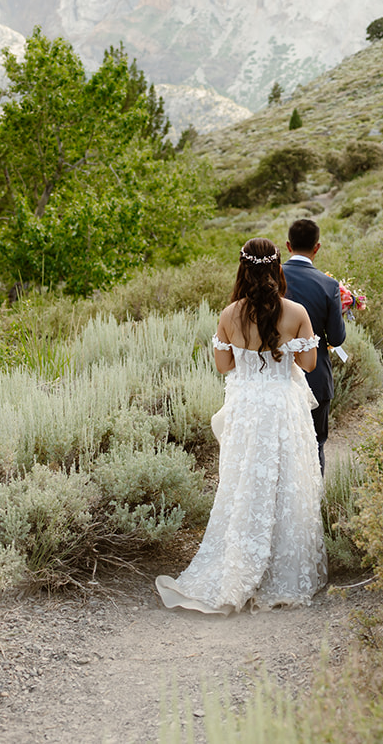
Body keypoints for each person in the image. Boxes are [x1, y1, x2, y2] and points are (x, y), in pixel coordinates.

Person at [154, 238, 328, 614]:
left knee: (245, 484)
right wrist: (288, 350)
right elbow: (311, 365)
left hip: (247, 408)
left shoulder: (229, 314)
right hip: (282, 407)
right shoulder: (296, 312)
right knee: (287, 482)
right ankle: (281, 570)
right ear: (277, 269)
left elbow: (223, 366)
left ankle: (240, 564)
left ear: (243, 270)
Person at [281, 218, 346, 473]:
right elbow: (337, 339)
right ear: (317, 248)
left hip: (276, 378)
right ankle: (314, 504)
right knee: (315, 444)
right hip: (315, 376)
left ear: (288, 245)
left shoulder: (270, 280)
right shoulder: (328, 285)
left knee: (282, 447)